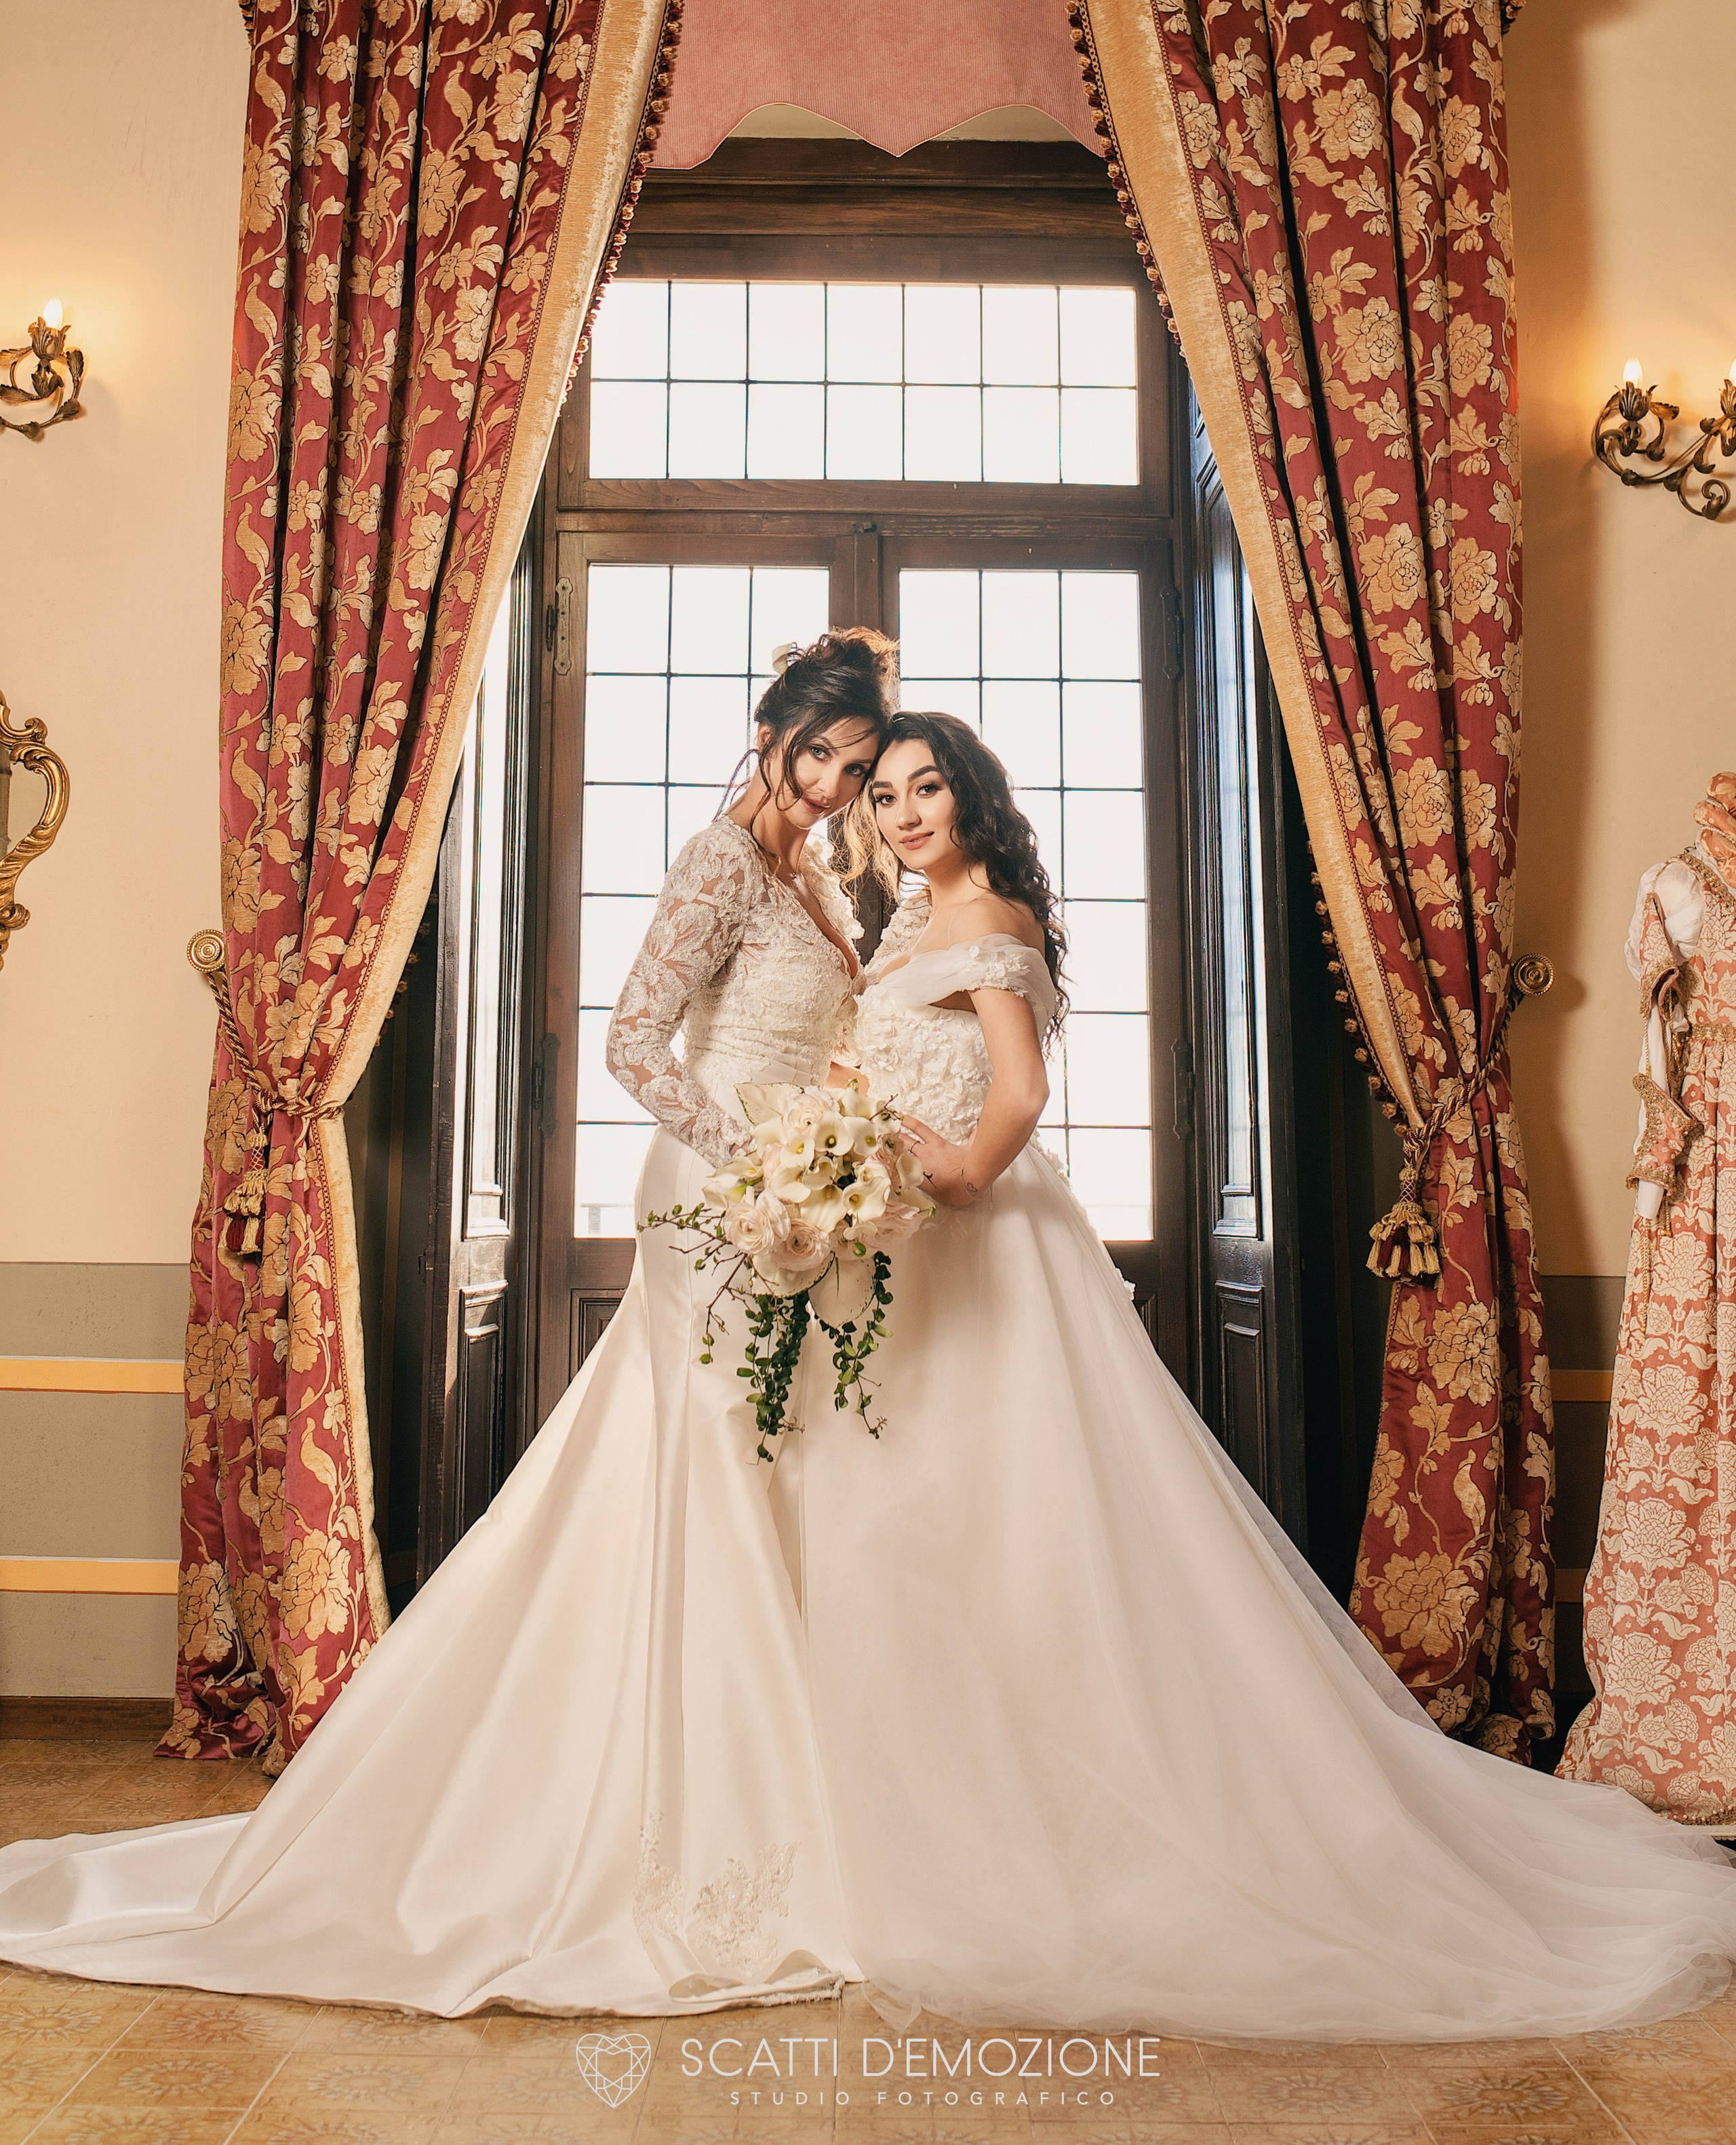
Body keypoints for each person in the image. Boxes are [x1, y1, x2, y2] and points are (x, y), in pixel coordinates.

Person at [779, 711, 1736, 2039]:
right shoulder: (902, 926)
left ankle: (1043, 1815)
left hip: (979, 1243)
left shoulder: (983, 911)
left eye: (926, 786)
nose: (901, 811)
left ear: (970, 797)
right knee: (921, 1533)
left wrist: (935, 1176)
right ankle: (908, 1807)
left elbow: (1013, 1095)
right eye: (882, 793)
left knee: (1011, 1536)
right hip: (902, 1258)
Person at [0, 629, 895, 2019]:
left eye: (853, 760)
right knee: (714, 1469)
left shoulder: (824, 875)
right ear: (772, 727)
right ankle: (696, 1830)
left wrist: (838, 1139)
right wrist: (757, 1157)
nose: (834, 781)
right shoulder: (721, 858)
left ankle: (790, 1805)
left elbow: (822, 1033)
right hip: (718, 1196)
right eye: (817, 751)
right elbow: (633, 1043)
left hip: (797, 1199)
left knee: (777, 1475)